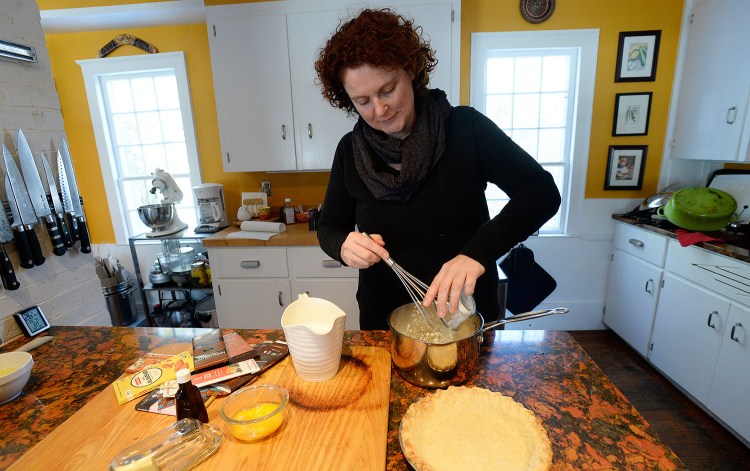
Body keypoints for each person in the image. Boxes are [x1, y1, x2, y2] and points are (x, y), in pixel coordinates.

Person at [314, 8, 561, 330]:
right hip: (384, 316)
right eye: (362, 101)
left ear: (411, 71)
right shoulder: (350, 151)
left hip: (466, 311)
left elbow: (540, 192)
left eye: (387, 90)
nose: (380, 109)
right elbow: (330, 226)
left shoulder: (466, 129)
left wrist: (475, 254)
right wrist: (343, 246)